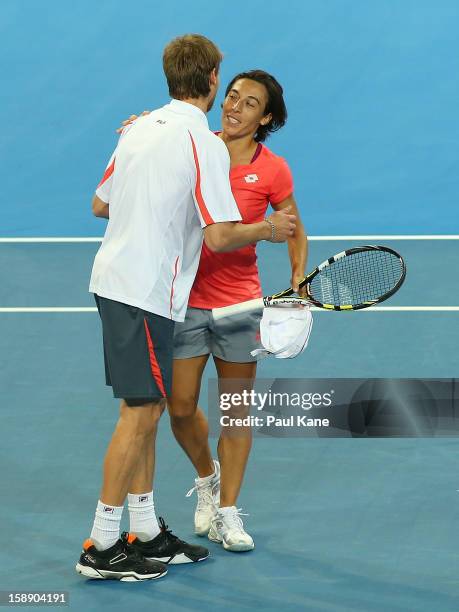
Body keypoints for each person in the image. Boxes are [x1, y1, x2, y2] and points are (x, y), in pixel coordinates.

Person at [77, 35, 296, 582]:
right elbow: (220, 237)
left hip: (122, 282)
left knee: (147, 408)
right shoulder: (201, 140)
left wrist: (155, 199)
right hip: (146, 289)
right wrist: (269, 229)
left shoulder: (138, 127)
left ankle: (146, 532)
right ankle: (102, 544)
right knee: (141, 414)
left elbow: (101, 204)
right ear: (214, 77)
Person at [118, 70, 307, 553]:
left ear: (265, 118)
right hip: (181, 299)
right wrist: (141, 128)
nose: (234, 107)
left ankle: (227, 512)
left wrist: (296, 284)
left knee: (235, 415)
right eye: (231, 97)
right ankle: (207, 477)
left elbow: (293, 228)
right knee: (180, 408)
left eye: (249, 104)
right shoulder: (194, 144)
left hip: (240, 303)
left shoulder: (273, 169)